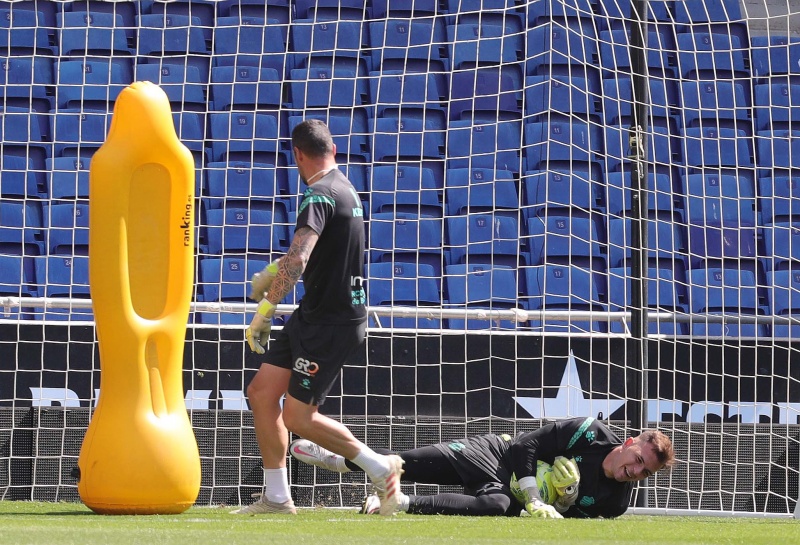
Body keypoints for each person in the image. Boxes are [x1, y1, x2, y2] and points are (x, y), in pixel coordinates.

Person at [233, 119, 404, 515]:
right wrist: (275, 272)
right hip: (315, 315)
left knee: (297, 417)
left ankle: (381, 467)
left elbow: (301, 256)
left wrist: (265, 308)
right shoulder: (345, 190)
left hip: (331, 322)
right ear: (334, 150)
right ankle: (276, 498)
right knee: (261, 394)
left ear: (297, 155)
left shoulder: (318, 195)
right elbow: (321, 256)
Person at [290, 416, 675, 518]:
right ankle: (339, 460)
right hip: (495, 453)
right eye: (638, 460)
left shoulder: (615, 503)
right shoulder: (588, 433)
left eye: (644, 473)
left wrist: (561, 504)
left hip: (506, 494)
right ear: (629, 443)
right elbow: (527, 443)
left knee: (496, 507)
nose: (634, 472)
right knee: (407, 461)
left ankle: (396, 503)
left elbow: (567, 523)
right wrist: (535, 495)